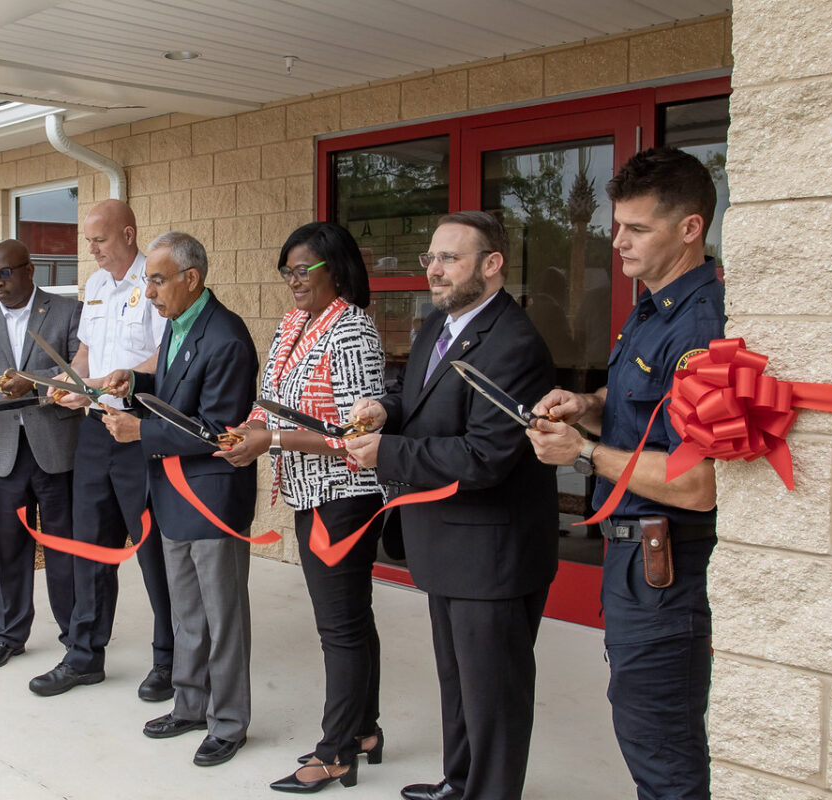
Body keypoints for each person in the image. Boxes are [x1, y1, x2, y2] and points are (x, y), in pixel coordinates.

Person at [526, 147, 724, 800]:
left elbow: (697, 481)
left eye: (637, 228)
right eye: (618, 226)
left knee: (662, 749)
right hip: (632, 560)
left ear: (690, 228)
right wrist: (586, 406)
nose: (619, 242)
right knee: (645, 731)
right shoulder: (650, 309)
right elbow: (643, 407)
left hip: (666, 565)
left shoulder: (700, 324)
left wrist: (581, 453)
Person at [347, 210, 560, 800]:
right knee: (459, 682)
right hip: (446, 543)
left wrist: (387, 454)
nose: (433, 270)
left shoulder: (513, 343)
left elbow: (485, 456)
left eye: (449, 258)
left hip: (491, 551)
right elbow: (418, 398)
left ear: (492, 265)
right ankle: (459, 783)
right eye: (430, 258)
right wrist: (385, 408)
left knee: (492, 695)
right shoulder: (439, 326)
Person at [215, 222, 387, 792]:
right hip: (308, 491)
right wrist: (247, 434)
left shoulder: (353, 329)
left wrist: (275, 441)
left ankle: (336, 751)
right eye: (286, 270)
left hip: (346, 495)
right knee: (350, 619)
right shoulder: (293, 324)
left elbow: (356, 436)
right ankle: (364, 730)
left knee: (338, 626)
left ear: (335, 268)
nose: (292, 280)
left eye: (302, 269)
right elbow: (271, 402)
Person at [97, 231, 259, 768]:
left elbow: (217, 432)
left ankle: (229, 722)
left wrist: (137, 432)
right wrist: (136, 382)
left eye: (158, 279)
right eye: (148, 280)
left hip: (211, 500)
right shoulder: (181, 324)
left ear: (192, 279)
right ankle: (190, 704)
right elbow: (175, 391)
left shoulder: (228, 338)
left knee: (222, 618)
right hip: (173, 495)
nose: (149, 292)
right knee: (189, 614)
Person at [37, 199, 175, 704]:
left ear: (129, 233)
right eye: (88, 240)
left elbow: (163, 357)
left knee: (153, 548)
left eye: (99, 239)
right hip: (96, 429)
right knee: (90, 545)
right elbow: (87, 352)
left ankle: (170, 657)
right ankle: (83, 655)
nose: (91, 249)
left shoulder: (156, 281)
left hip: (140, 428)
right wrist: (72, 381)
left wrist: (102, 383)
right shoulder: (94, 287)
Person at [0, 239, 82, 673]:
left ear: (30, 270)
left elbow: (80, 372)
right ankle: (8, 636)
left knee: (63, 547)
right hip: (4, 452)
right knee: (8, 549)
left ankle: (76, 636)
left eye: (5, 273)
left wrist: (33, 380)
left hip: (56, 449)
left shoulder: (65, 311)